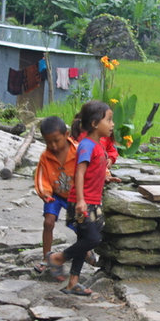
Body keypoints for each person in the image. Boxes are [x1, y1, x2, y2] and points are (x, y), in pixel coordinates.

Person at [45, 101, 113, 295]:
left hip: (92, 201)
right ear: (94, 124)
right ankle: (58, 257)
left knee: (84, 241)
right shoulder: (86, 145)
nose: (112, 124)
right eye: (108, 120)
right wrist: (81, 201)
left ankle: (73, 282)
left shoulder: (97, 146)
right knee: (93, 239)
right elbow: (80, 173)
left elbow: (93, 171)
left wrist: (106, 177)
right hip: (83, 202)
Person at [33, 116, 83, 277]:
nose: (53, 146)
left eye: (57, 141)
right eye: (49, 142)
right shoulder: (45, 157)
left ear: (67, 134)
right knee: (48, 222)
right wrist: (45, 193)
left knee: (80, 227)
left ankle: (83, 252)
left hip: (75, 195)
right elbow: (41, 178)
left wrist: (106, 175)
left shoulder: (78, 151)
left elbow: (95, 165)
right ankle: (47, 257)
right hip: (54, 194)